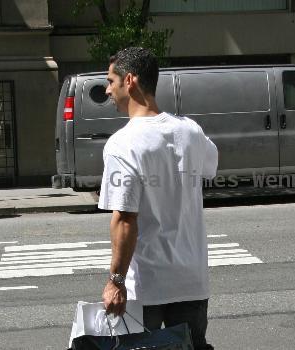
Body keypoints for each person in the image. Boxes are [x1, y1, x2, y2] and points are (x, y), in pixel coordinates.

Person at [98, 47, 218, 350]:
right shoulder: (190, 131)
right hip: (192, 279)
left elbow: (125, 219)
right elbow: (210, 166)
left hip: (146, 287)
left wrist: (115, 281)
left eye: (111, 81)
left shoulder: (122, 143)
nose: (107, 89)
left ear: (129, 80)